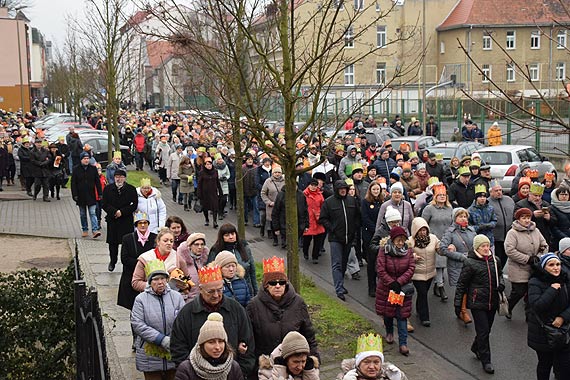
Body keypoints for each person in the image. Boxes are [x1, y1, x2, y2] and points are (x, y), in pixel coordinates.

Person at [170, 266, 256, 377]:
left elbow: (248, 343)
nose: (216, 295)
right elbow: (177, 347)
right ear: (200, 289)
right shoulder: (187, 313)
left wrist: (239, 372)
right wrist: (191, 372)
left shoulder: (236, 309)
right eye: (210, 291)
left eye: (220, 290)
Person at [246, 256, 318, 378]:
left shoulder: (298, 303)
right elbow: (250, 339)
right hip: (267, 368)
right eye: (273, 283)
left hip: (295, 367)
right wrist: (254, 367)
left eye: (282, 282)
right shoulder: (253, 306)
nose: (278, 286)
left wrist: (314, 359)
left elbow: (309, 334)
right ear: (266, 285)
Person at [454, 235, 504, 374]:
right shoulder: (470, 263)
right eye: (483, 246)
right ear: (477, 247)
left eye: (487, 245)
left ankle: (476, 347)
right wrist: (458, 304)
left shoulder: (495, 260)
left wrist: (502, 284)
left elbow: (499, 275)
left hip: (492, 301)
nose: (486, 248)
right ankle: (486, 361)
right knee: (483, 332)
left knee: (487, 330)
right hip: (477, 302)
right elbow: (462, 284)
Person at [131, 260, 185, 380]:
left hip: (173, 350)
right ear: (150, 282)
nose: (160, 282)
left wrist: (174, 339)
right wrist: (161, 339)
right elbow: (138, 324)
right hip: (150, 354)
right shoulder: (141, 299)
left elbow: (183, 321)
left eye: (163, 278)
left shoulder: (176, 297)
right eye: (156, 279)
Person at [527, 253, 570, 380]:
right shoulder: (535, 282)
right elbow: (537, 306)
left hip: (563, 330)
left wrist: (563, 317)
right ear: (543, 267)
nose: (556, 268)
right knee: (545, 364)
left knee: (565, 366)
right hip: (543, 332)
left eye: (558, 265)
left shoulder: (564, 279)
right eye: (551, 265)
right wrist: (552, 290)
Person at [375, 226, 415, 356]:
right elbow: (380, 269)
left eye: (403, 240)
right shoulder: (384, 251)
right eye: (398, 240)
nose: (400, 243)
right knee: (388, 314)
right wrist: (391, 282)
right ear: (392, 240)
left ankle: (403, 343)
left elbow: (411, 267)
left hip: (402, 289)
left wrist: (400, 281)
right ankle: (389, 331)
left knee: (402, 316)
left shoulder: (408, 251)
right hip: (387, 289)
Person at [319, 180, 361, 301]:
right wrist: (332, 228)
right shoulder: (329, 202)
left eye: (345, 188)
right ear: (336, 190)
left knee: (343, 263)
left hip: (349, 237)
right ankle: (339, 288)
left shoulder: (352, 201)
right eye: (340, 189)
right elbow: (323, 218)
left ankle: (341, 284)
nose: (343, 190)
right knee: (336, 263)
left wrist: (355, 228)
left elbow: (358, 216)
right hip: (335, 238)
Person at [504, 207, 549, 320]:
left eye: (528, 217)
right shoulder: (512, 233)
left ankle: (530, 316)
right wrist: (527, 259)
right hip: (518, 267)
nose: (527, 220)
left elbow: (544, 245)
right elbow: (510, 250)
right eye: (523, 218)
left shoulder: (536, 230)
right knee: (519, 292)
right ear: (518, 219)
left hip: (535, 268)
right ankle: (508, 306)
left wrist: (538, 257)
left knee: (531, 294)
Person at [174, 313, 244, 380]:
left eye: (220, 341)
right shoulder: (186, 369)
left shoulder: (233, 367)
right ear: (202, 344)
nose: (217, 347)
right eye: (211, 342)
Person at [440, 207, 477, 325]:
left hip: (471, 264)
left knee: (469, 288)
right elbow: (443, 248)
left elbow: (477, 245)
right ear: (455, 218)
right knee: (462, 289)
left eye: (465, 216)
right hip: (457, 265)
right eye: (460, 216)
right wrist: (461, 256)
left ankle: (461, 309)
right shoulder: (450, 232)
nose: (463, 218)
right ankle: (462, 310)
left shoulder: (472, 230)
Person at [118, 211, 158, 312]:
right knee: (134, 309)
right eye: (140, 223)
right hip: (132, 278)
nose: (143, 225)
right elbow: (125, 258)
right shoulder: (128, 238)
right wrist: (142, 264)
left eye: (145, 222)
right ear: (136, 225)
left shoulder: (155, 238)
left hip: (150, 277)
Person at [102, 168, 138, 272]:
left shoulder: (131, 189)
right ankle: (112, 261)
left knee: (127, 243)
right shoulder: (108, 189)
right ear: (114, 178)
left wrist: (122, 212)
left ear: (124, 178)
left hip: (125, 220)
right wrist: (114, 212)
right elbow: (104, 204)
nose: (119, 179)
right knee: (112, 244)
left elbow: (134, 205)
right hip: (113, 220)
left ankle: (126, 263)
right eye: (117, 177)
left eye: (121, 177)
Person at [208, 223, 258, 296]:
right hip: (226, 292)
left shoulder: (244, 247)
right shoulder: (216, 250)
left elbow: (252, 271)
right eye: (227, 235)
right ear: (222, 237)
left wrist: (256, 291)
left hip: (246, 290)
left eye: (232, 234)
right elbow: (211, 273)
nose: (231, 237)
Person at [132, 229, 185, 293]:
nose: (169, 243)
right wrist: (152, 286)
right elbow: (135, 282)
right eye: (165, 241)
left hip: (171, 298)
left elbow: (187, 279)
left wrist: (184, 286)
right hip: (150, 297)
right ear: (158, 242)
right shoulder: (145, 258)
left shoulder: (177, 257)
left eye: (171, 241)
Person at [409, 217, 440, 327]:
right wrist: (412, 256)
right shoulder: (410, 241)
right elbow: (404, 254)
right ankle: (424, 317)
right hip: (417, 273)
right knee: (422, 293)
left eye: (424, 230)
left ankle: (419, 308)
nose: (423, 232)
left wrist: (449, 247)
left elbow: (440, 249)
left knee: (423, 293)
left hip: (430, 272)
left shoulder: (433, 238)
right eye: (420, 230)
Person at [338, 333, 407, 380]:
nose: (371, 367)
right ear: (358, 364)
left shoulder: (389, 375)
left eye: (376, 362)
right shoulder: (347, 376)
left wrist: (399, 378)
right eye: (366, 362)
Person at [71, 151, 102, 238]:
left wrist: (100, 193)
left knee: (92, 212)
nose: (86, 160)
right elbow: (73, 183)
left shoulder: (93, 169)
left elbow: (97, 182)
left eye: (88, 158)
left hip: (91, 195)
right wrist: (75, 195)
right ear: (81, 160)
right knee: (82, 214)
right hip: (80, 196)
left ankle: (95, 230)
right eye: (84, 159)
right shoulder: (76, 169)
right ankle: (85, 229)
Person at [361, 181, 384, 296]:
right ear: (370, 190)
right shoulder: (365, 202)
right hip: (369, 234)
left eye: (377, 189)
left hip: (381, 234)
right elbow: (364, 217)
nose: (376, 191)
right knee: (371, 261)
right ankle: (372, 286)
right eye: (374, 189)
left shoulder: (382, 202)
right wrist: (375, 229)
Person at [487, 180, 515, 270]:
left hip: (508, 235)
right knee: (497, 258)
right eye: (496, 191)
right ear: (491, 192)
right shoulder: (487, 203)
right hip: (496, 237)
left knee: (505, 257)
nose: (499, 192)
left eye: (500, 190)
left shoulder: (509, 200)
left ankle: (501, 272)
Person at [176, 233, 209, 302]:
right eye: (196, 244)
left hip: (204, 300)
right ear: (190, 246)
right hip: (188, 300)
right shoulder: (182, 262)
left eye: (202, 244)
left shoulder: (206, 261)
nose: (200, 247)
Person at [303, 178, 326, 263]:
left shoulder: (320, 195)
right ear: (308, 185)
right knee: (307, 240)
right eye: (312, 185)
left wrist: (321, 215)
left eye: (315, 185)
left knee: (318, 240)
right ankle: (305, 252)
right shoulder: (304, 194)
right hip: (308, 220)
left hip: (318, 220)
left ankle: (315, 257)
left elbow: (323, 206)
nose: (313, 187)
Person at [261, 166, 285, 246]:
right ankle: (275, 239)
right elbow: (263, 193)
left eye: (279, 172)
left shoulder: (285, 181)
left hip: (283, 206)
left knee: (282, 221)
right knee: (273, 222)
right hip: (272, 206)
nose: (277, 174)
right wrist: (268, 202)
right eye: (275, 172)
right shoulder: (268, 181)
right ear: (273, 173)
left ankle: (283, 240)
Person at [197, 157, 223, 228]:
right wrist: (199, 194)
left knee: (215, 207)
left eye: (210, 164)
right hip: (205, 193)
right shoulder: (202, 173)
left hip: (213, 192)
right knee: (205, 207)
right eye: (207, 164)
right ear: (205, 165)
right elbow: (199, 184)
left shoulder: (215, 171)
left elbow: (217, 182)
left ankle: (215, 221)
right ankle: (206, 219)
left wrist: (220, 191)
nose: (209, 166)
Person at [550, 186, 570, 251]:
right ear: (557, 196)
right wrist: (565, 238)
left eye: (566, 194)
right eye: (562, 194)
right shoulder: (552, 208)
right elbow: (553, 227)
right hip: (558, 240)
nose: (564, 196)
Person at [214, 153, 230, 220]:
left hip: (224, 184)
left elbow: (228, 174)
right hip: (217, 185)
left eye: (221, 159)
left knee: (224, 200)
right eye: (219, 159)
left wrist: (225, 177)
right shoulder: (214, 167)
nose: (220, 160)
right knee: (218, 200)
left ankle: (222, 210)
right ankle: (219, 213)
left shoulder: (225, 166)